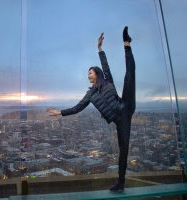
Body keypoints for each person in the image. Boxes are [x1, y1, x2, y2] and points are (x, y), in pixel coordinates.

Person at [47, 26, 135, 192]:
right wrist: (59, 112)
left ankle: (126, 43)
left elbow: (105, 64)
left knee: (129, 75)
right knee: (123, 150)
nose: (88, 75)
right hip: (121, 120)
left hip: (126, 105)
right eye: (87, 74)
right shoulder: (90, 95)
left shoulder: (107, 80)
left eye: (90, 72)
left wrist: (99, 48)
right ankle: (121, 183)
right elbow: (77, 108)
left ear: (97, 73)